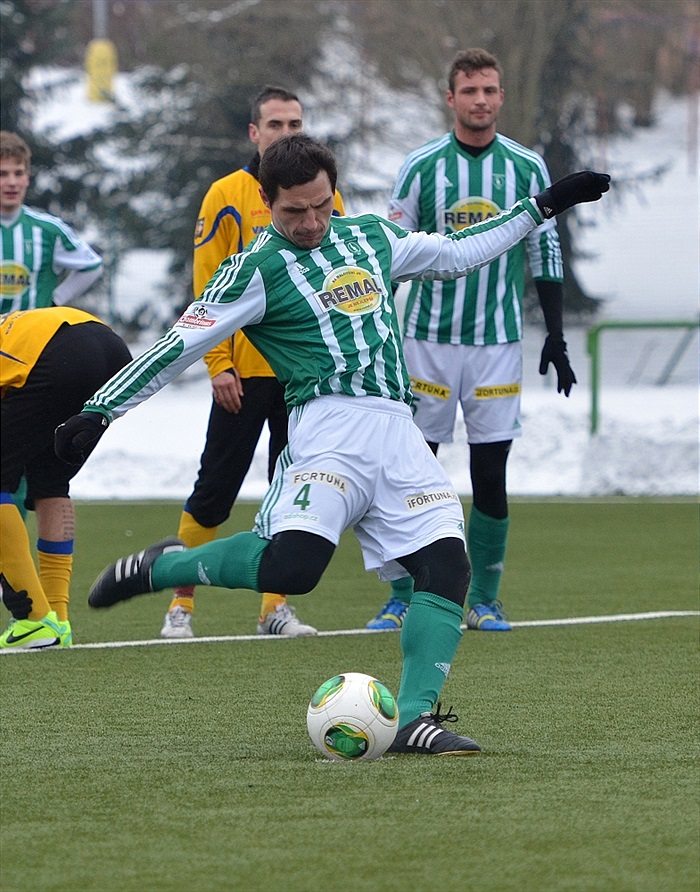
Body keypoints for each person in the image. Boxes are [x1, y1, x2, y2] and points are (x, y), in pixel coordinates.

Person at [55, 134, 609, 752]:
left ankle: (415, 720)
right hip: (326, 429)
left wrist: (546, 202)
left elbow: (457, 252)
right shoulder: (255, 270)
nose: (311, 222)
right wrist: (99, 411)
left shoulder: (371, 237)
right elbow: (178, 344)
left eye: (321, 206)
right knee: (295, 568)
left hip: (398, 428)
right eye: (294, 211)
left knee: (446, 564)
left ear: (333, 195)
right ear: (267, 202)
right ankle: (167, 566)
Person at [367, 48, 575, 633]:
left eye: (490, 90)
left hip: (496, 344)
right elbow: (390, 252)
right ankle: (404, 594)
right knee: (412, 469)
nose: (480, 100)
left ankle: (484, 598)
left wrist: (554, 336)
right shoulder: (422, 166)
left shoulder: (528, 168)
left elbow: (544, 249)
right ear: (450, 97)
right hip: (427, 341)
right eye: (470, 90)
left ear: (501, 97)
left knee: (490, 472)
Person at [160, 86, 345, 640]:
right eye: (275, 124)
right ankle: (181, 605)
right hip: (240, 374)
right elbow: (208, 285)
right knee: (214, 489)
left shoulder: (322, 192)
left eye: (295, 123)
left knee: (292, 492)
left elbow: (340, 277)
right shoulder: (225, 194)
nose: (286, 133)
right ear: (253, 133)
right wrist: (218, 362)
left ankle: (273, 609)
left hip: (302, 379)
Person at [0, 306, 131, 648]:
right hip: (112, 351)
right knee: (50, 483)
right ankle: (58, 621)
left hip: (57, 355)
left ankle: (33, 620)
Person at [1, 130, 104, 519]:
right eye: (2, 173)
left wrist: (54, 302)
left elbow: (90, 265)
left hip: (31, 357)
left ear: (28, 176)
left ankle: (11, 563)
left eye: (18, 172)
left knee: (23, 456)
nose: (11, 182)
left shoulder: (44, 229)